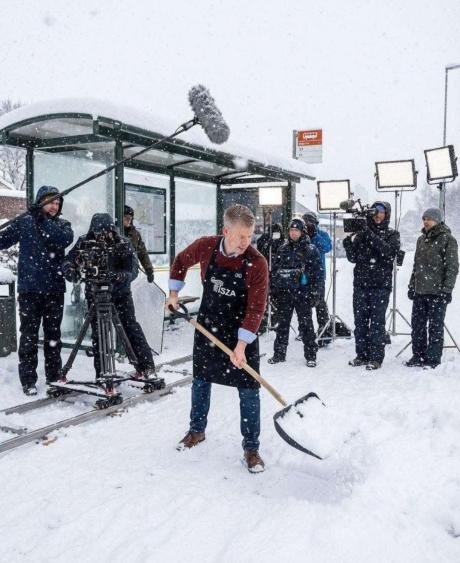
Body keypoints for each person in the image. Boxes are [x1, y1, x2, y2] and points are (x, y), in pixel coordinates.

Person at [166, 204, 268, 473]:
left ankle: (251, 448)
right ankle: (196, 431)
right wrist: (174, 294)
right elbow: (180, 261)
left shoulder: (257, 262)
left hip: (242, 331)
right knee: (200, 381)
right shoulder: (206, 246)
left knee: (249, 390)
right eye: (241, 236)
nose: (246, 242)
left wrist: (241, 346)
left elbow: (256, 309)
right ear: (226, 231)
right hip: (208, 326)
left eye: (250, 236)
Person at [63, 213, 156, 380]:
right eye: (98, 233)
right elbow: (69, 260)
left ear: (113, 230)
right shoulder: (84, 242)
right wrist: (71, 270)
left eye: (106, 232)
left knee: (130, 328)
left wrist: (122, 276)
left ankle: (146, 366)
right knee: (99, 335)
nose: (102, 237)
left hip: (120, 294)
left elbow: (133, 269)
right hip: (95, 294)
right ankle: (102, 374)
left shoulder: (123, 243)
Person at [0, 186, 74, 395]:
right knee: (29, 337)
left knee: (53, 336)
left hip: (54, 290)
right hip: (29, 290)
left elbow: (62, 239)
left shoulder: (63, 225)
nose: (54, 206)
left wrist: (41, 220)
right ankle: (28, 380)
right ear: (40, 202)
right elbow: (3, 241)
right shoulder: (25, 222)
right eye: (51, 202)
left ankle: (54, 376)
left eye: (57, 203)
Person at [343, 201, 400, 370]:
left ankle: (376, 358)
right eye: (375, 211)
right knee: (360, 322)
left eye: (381, 211)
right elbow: (353, 258)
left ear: (387, 214)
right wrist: (348, 243)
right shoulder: (362, 233)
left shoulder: (392, 234)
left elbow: (388, 253)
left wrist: (368, 234)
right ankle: (361, 355)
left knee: (377, 323)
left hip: (380, 286)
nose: (377, 214)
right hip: (361, 284)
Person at [406, 208, 458, 368]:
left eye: (429, 219)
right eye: (424, 219)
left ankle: (433, 359)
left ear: (438, 220)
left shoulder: (447, 239)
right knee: (417, 326)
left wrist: (447, 290)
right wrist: (412, 286)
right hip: (420, 291)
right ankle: (418, 355)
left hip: (437, 292)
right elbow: (416, 266)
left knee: (435, 328)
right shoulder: (421, 240)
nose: (426, 222)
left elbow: (452, 268)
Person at [269, 218, 322, 367]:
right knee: (282, 325)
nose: (293, 233)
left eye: (296, 230)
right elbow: (275, 271)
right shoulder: (283, 248)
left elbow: (318, 273)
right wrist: (274, 291)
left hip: (303, 293)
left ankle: (311, 355)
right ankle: (279, 354)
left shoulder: (311, 249)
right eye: (291, 230)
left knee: (306, 325)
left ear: (302, 232)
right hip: (285, 293)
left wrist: (315, 292)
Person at [302, 211, 332, 344]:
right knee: (303, 303)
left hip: (318, 274)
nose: (308, 225)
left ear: (316, 223)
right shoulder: (301, 234)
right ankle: (305, 329)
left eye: (310, 222)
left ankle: (324, 328)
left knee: (319, 302)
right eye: (306, 222)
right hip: (303, 274)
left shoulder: (322, 234)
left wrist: (315, 235)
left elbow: (327, 247)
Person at [123, 205, 155, 283]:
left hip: (130, 272)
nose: (129, 220)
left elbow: (142, 253)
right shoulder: (113, 233)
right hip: (117, 273)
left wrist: (149, 270)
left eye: (131, 218)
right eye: (126, 218)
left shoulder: (135, 234)